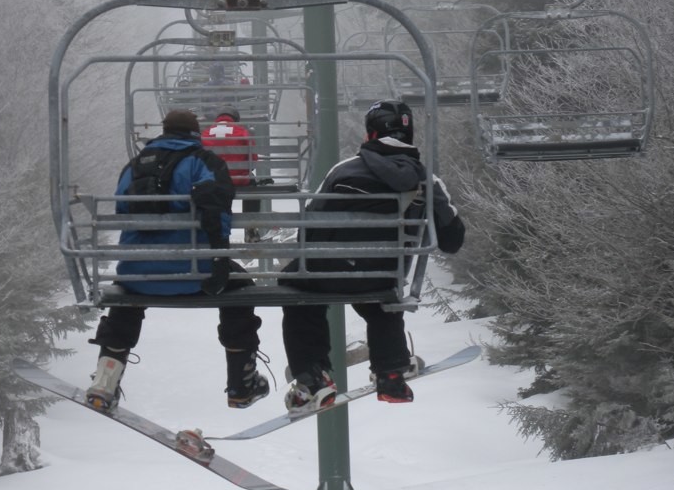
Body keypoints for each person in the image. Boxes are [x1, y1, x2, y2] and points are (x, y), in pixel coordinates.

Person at [280, 99, 466, 413]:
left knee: (295, 287)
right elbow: (452, 241)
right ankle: (391, 371)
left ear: (370, 134)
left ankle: (313, 377)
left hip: (329, 272)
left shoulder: (343, 170)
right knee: (383, 297)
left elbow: (308, 226)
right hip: (383, 275)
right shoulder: (428, 183)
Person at [86, 109, 270, 412]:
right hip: (193, 272)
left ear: (164, 130)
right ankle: (242, 383)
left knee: (125, 301)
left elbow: (122, 210)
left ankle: (105, 381)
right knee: (242, 289)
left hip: (137, 274)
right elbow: (218, 212)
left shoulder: (133, 167)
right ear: (195, 133)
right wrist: (219, 261)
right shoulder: (205, 163)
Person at [201, 104, 262, 241]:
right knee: (252, 185)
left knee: (217, 195)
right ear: (235, 118)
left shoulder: (205, 133)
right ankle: (251, 227)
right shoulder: (241, 131)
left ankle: (221, 233)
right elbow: (253, 158)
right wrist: (246, 170)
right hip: (239, 179)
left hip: (214, 181)